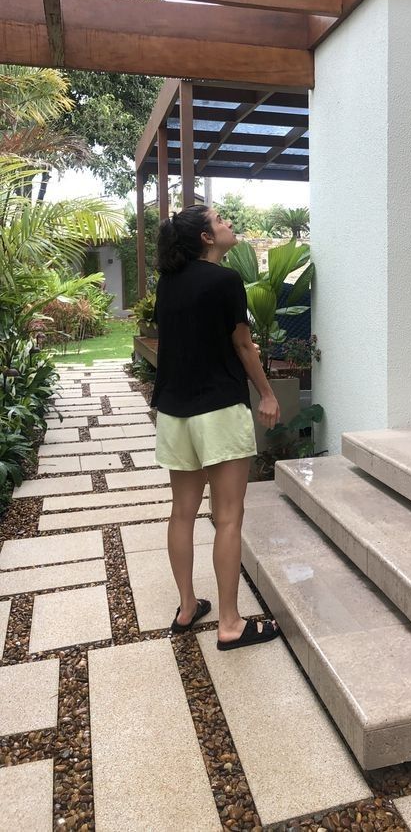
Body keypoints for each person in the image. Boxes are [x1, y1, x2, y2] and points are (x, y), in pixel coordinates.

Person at [151, 204, 281, 651]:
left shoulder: (167, 283)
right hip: (219, 411)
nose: (229, 224)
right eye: (221, 220)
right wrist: (267, 393)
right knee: (228, 516)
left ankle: (187, 607)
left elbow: (189, 340)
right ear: (207, 238)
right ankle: (229, 623)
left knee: (182, 512)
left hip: (173, 412)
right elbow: (243, 345)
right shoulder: (225, 280)